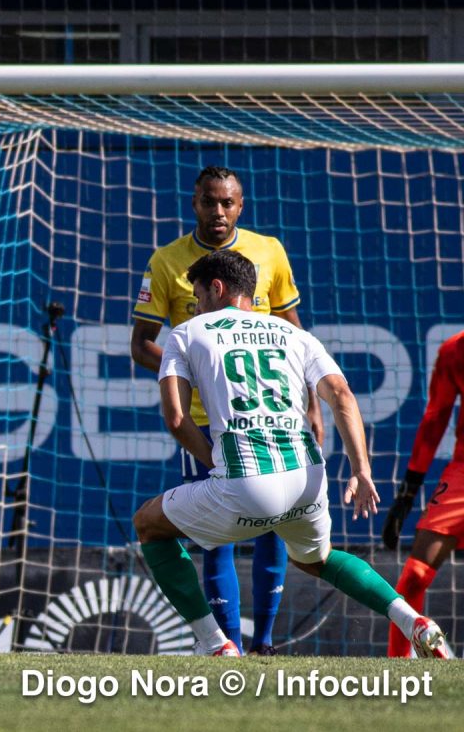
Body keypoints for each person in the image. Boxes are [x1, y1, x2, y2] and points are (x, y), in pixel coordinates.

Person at [132, 249, 447, 658]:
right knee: (318, 559)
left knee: (148, 525)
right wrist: (361, 469)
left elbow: (176, 417)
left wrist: (214, 462)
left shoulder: (188, 332)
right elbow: (342, 395)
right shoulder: (294, 334)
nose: (196, 307)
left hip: (245, 484)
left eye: (197, 298)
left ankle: (214, 644)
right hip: (307, 480)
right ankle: (414, 621)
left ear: (216, 288)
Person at [130, 166, 323, 655]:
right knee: (214, 535)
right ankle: (227, 643)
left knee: (275, 525)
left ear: (241, 206)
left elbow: (297, 335)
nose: (218, 212)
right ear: (193, 203)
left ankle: (265, 643)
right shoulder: (167, 261)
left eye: (227, 203)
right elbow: (141, 344)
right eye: (209, 202)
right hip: (205, 418)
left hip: (269, 412)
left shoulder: (269, 251)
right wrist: (194, 371)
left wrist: (310, 401)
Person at [383, 329, 464, 657]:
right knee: (414, 576)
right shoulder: (454, 351)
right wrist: (407, 493)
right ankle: (398, 670)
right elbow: (434, 420)